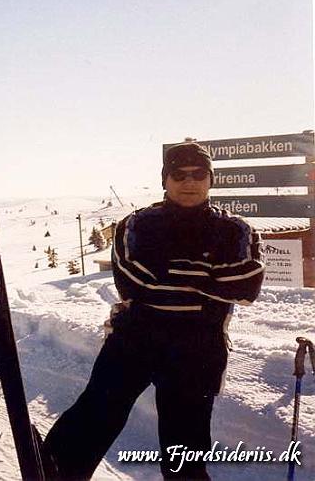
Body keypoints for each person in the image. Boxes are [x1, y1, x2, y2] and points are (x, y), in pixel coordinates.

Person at [41, 142, 265, 480]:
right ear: (165, 180)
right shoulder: (137, 224)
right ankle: (56, 472)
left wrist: (167, 268)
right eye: (179, 174)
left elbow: (247, 285)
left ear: (210, 179)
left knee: (186, 442)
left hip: (199, 347)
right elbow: (133, 280)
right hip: (135, 337)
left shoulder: (235, 229)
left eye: (198, 174)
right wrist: (209, 272)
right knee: (97, 413)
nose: (189, 182)